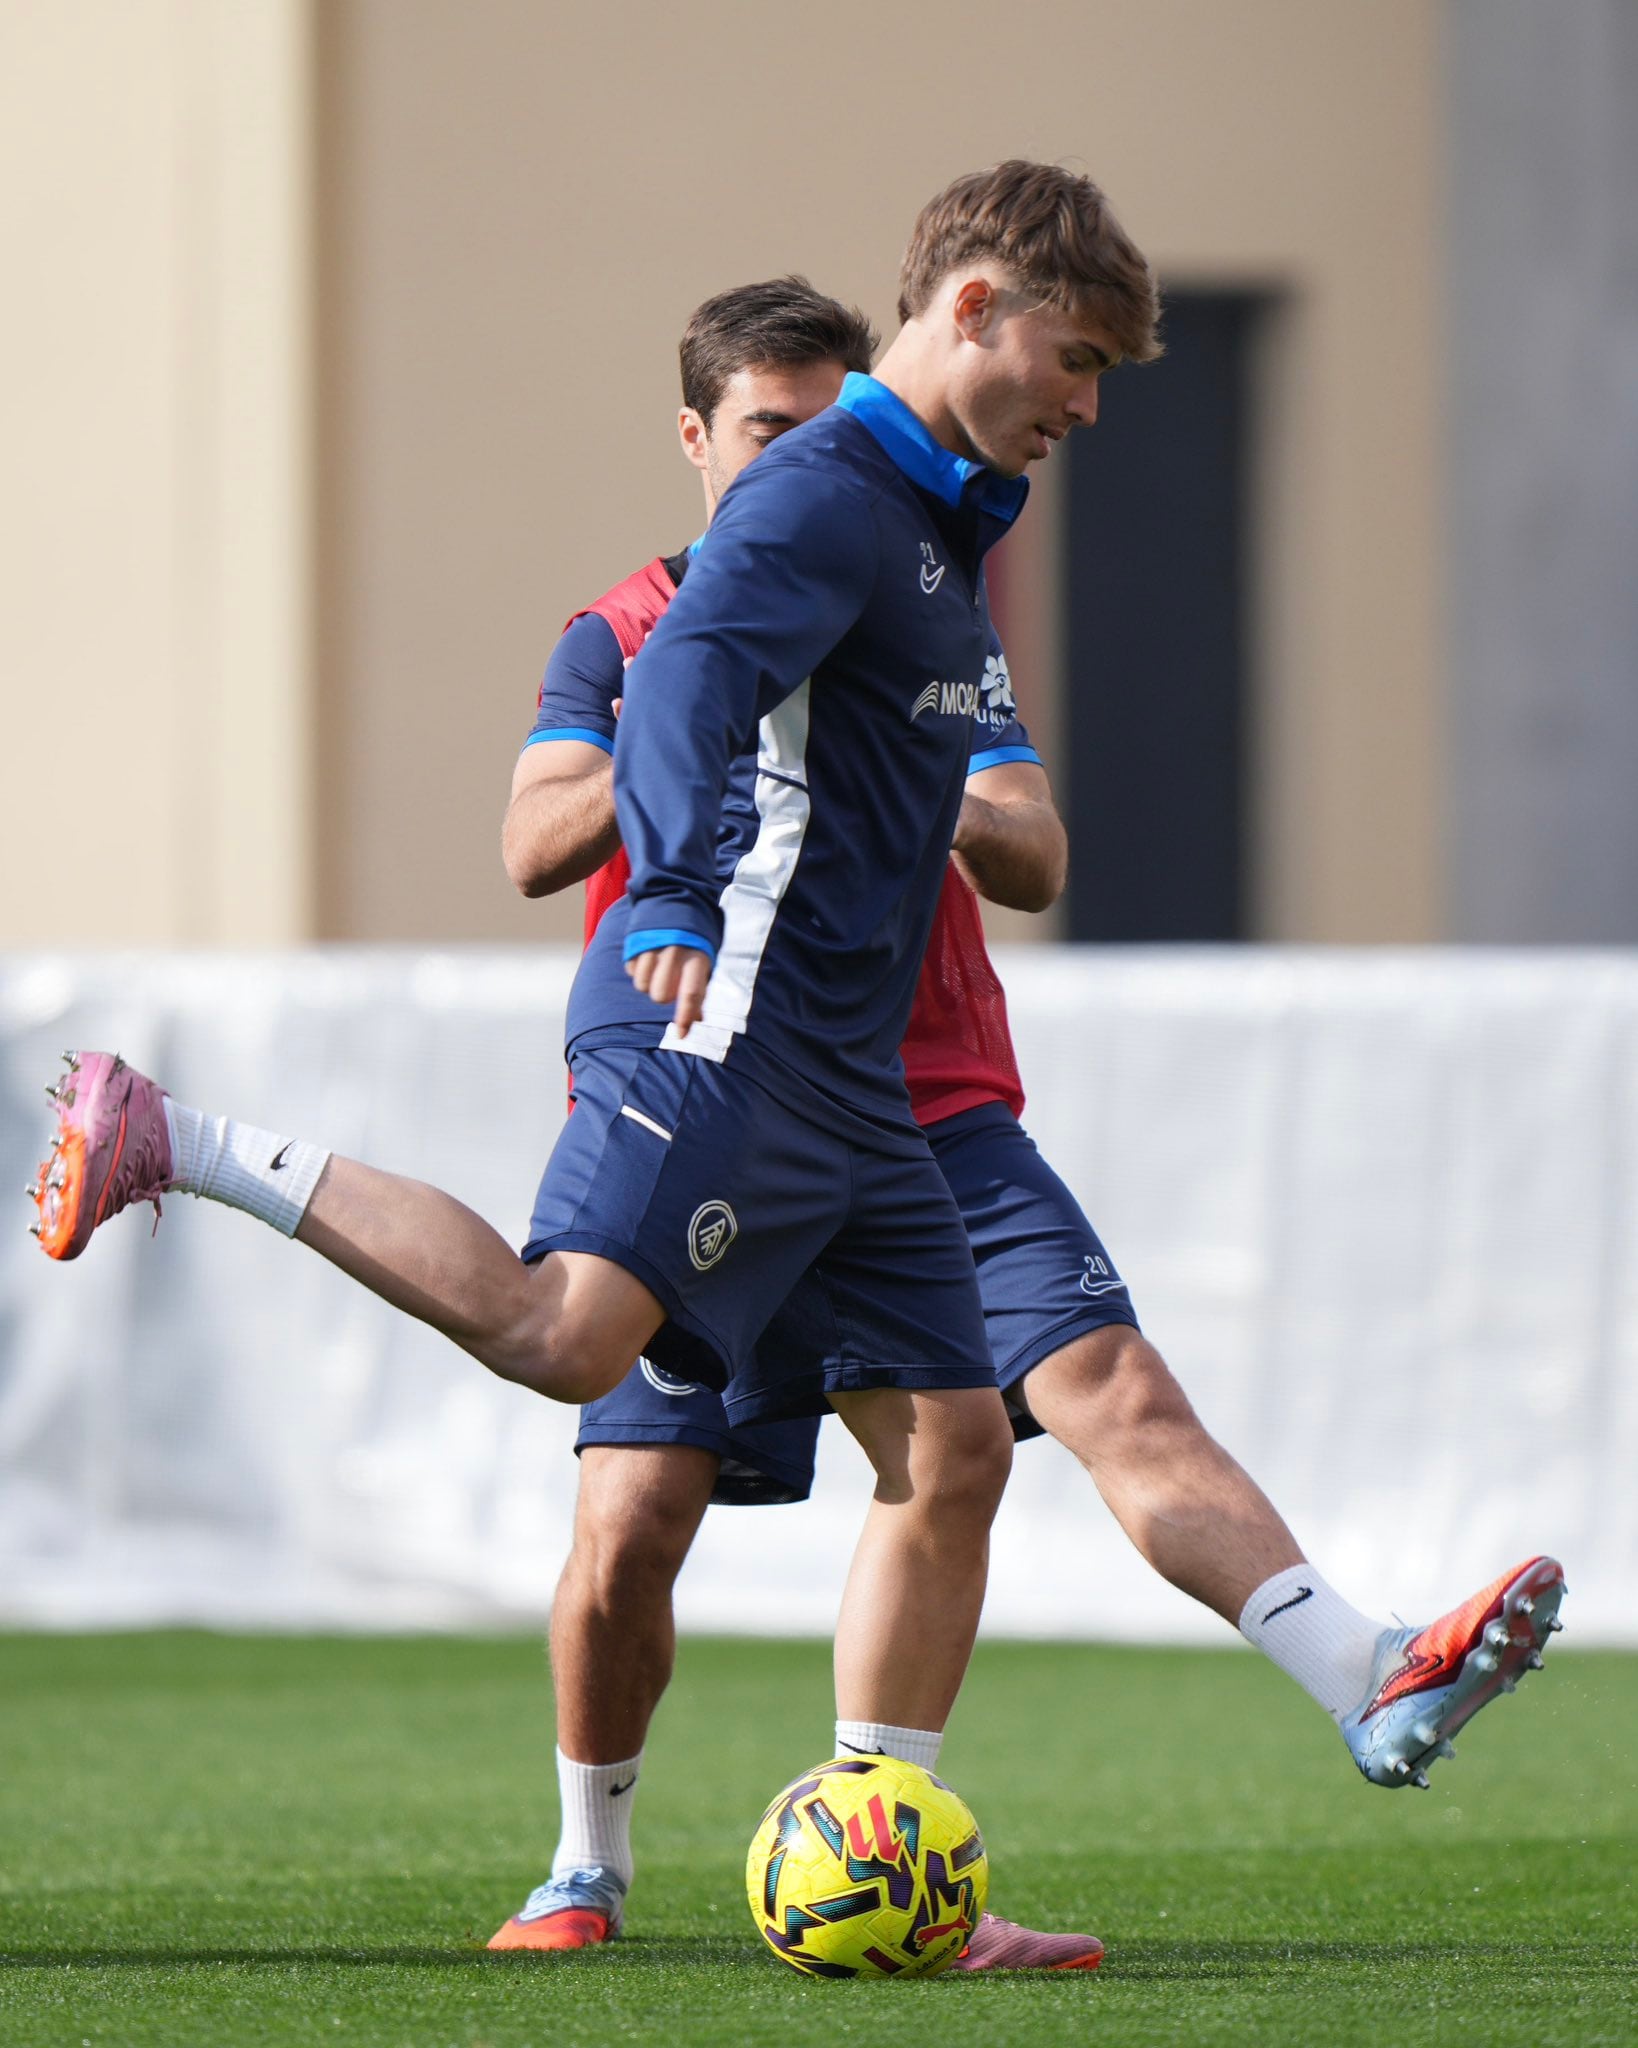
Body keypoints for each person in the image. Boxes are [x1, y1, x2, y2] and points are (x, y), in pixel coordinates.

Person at [31, 163, 1562, 1961]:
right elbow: (679, 687)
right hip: (732, 1027)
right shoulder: (824, 496)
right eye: (1075, 361)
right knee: (563, 1348)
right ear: (975, 307)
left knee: (961, 1449)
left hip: (864, 1082)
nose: (1085, 406)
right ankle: (174, 1136)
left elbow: (1017, 826)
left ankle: (1006, 1811)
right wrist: (673, 881)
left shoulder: (941, 514)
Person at [480, 274, 1567, 1961]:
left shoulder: (924, 596)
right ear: (697, 440)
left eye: (826, 424)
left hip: (932, 1114)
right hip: (723, 1094)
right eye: (765, 428)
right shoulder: (625, 630)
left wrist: (900, 764)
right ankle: (585, 1866)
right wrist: (721, 719)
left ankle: (1352, 1676)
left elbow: (1036, 852)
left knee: (1081, 1403)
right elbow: (536, 841)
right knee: (631, 1523)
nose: (801, 455)